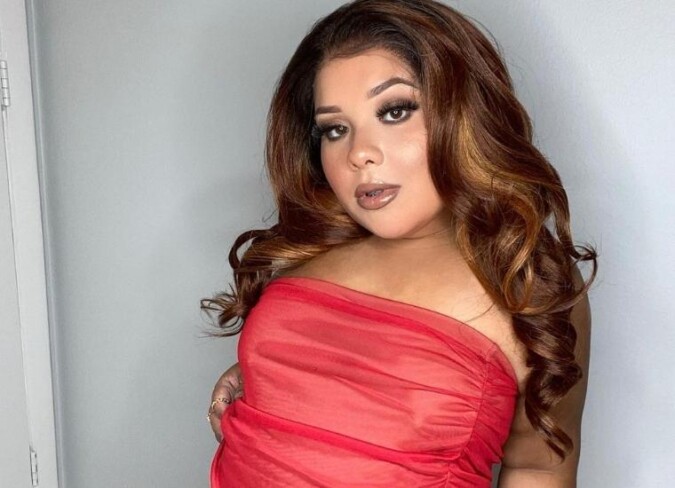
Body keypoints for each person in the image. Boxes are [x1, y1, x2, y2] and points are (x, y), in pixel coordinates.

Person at [202, 0, 597, 486]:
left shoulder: (524, 281)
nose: (359, 154)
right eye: (335, 129)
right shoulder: (310, 247)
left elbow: (539, 468)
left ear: (465, 113)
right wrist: (263, 377)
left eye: (394, 111)